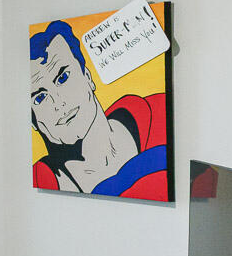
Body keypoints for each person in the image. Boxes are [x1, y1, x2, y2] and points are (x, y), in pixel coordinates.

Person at [29, 19, 167, 199]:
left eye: (63, 77)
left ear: (87, 77)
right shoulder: (46, 182)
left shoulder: (160, 114)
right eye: (40, 97)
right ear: (33, 120)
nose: (59, 103)